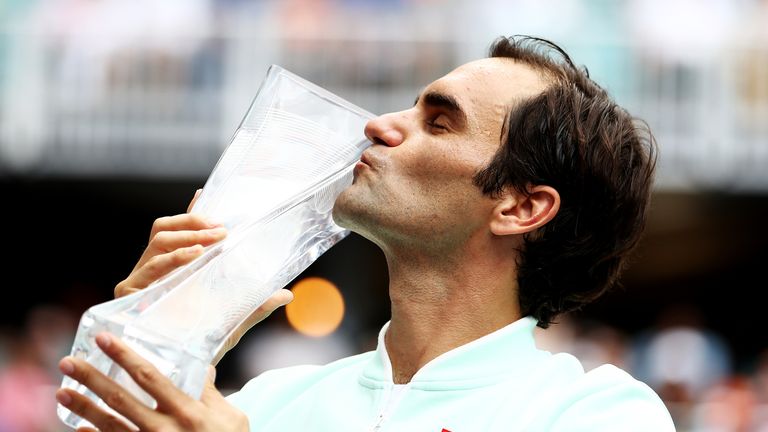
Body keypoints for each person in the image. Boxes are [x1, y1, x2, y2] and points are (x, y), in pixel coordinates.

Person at [55, 36, 676, 431]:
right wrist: (150, 333)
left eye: (438, 123)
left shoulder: (598, 414)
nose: (380, 125)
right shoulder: (268, 399)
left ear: (521, 207)